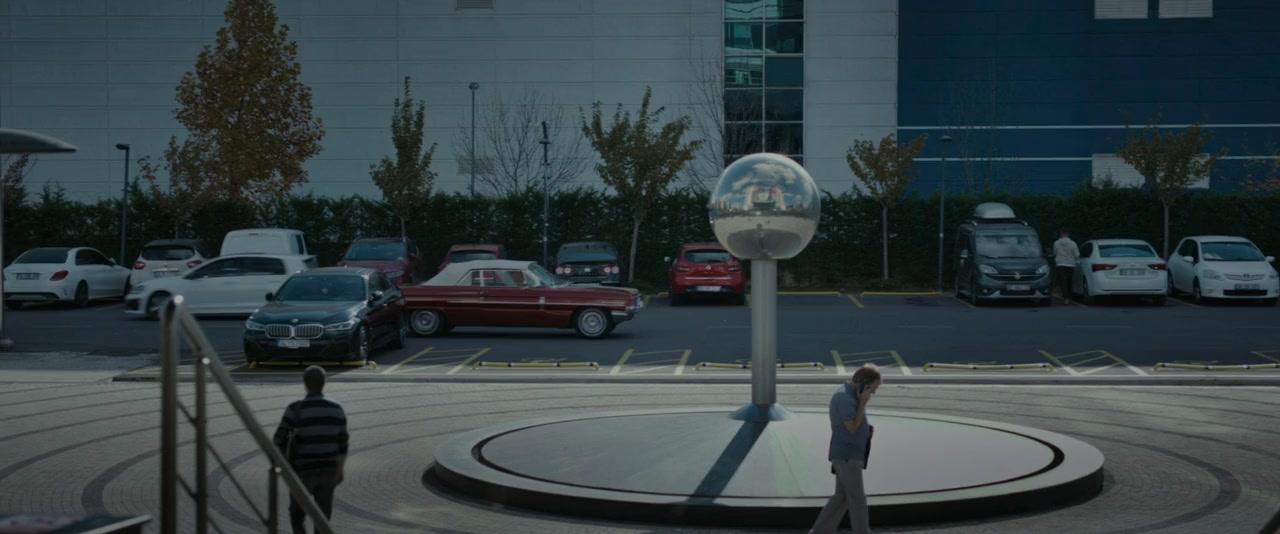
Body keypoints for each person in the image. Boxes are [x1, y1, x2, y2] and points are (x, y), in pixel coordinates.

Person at [273, 366, 348, 534]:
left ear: (305, 384)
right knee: (323, 516)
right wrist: (340, 469)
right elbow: (343, 443)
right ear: (324, 383)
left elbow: (277, 440)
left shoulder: (294, 409)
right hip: (329, 470)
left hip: (302, 472)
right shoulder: (337, 409)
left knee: (297, 514)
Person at [810, 363, 881, 534]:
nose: (874, 392)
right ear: (865, 383)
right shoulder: (844, 397)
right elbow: (851, 428)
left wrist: (866, 428)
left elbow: (855, 424)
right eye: (875, 387)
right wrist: (863, 403)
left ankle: (821, 531)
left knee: (841, 496)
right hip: (847, 456)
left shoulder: (851, 394)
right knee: (857, 498)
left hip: (849, 454)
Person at [1052, 230, 1080, 303]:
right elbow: (1077, 255)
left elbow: (1054, 253)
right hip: (1070, 264)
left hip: (1060, 264)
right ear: (1068, 234)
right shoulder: (1073, 243)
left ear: (1061, 234)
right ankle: (1070, 296)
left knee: (1063, 281)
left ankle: (1066, 297)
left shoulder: (1056, 243)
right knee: (1069, 281)